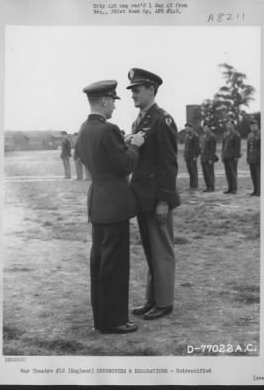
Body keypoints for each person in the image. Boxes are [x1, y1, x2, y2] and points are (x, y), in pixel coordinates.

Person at [76, 80, 145, 334]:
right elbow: (124, 166)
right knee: (115, 266)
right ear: (104, 101)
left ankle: (101, 320)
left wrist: (122, 143)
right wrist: (134, 146)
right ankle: (115, 321)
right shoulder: (109, 130)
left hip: (97, 203)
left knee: (100, 265)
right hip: (115, 205)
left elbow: (97, 158)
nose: (114, 107)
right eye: (113, 102)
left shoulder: (84, 129)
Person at [126, 68, 180, 320]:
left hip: (156, 199)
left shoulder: (163, 119)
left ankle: (164, 303)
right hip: (142, 197)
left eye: (137, 89)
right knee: (151, 250)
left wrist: (163, 201)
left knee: (161, 250)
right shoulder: (140, 120)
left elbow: (169, 164)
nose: (133, 94)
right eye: (132, 90)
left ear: (151, 89)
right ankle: (152, 299)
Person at [221, 118, 241, 194]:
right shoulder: (225, 134)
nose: (227, 125)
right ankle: (230, 187)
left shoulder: (236, 134)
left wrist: (236, 156)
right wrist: (223, 156)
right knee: (228, 173)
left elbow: (237, 146)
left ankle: (234, 188)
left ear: (233, 125)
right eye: (227, 124)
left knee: (233, 173)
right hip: (226, 156)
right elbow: (223, 146)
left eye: (229, 124)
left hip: (232, 156)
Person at [200, 122, 217, 192]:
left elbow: (212, 149)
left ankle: (211, 187)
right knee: (205, 173)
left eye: (205, 127)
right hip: (203, 157)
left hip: (209, 158)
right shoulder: (204, 136)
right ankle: (207, 186)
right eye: (203, 127)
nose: (204, 129)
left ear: (209, 128)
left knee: (210, 173)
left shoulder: (212, 136)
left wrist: (211, 158)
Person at [183, 123, 200, 191]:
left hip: (192, 156)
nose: (186, 129)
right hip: (188, 156)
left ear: (190, 127)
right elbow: (186, 146)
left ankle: (195, 186)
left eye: (187, 128)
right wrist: (184, 155)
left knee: (194, 172)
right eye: (185, 128)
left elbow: (197, 147)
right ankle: (191, 186)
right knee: (190, 172)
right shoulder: (187, 136)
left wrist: (196, 155)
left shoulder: (195, 135)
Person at [247, 119, 260, 196]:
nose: (253, 128)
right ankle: (255, 190)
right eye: (251, 126)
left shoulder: (260, 134)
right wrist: (248, 157)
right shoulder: (250, 135)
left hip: (258, 158)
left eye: (254, 126)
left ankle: (259, 191)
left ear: (257, 126)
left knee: (258, 176)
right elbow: (248, 147)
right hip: (251, 158)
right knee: (253, 175)